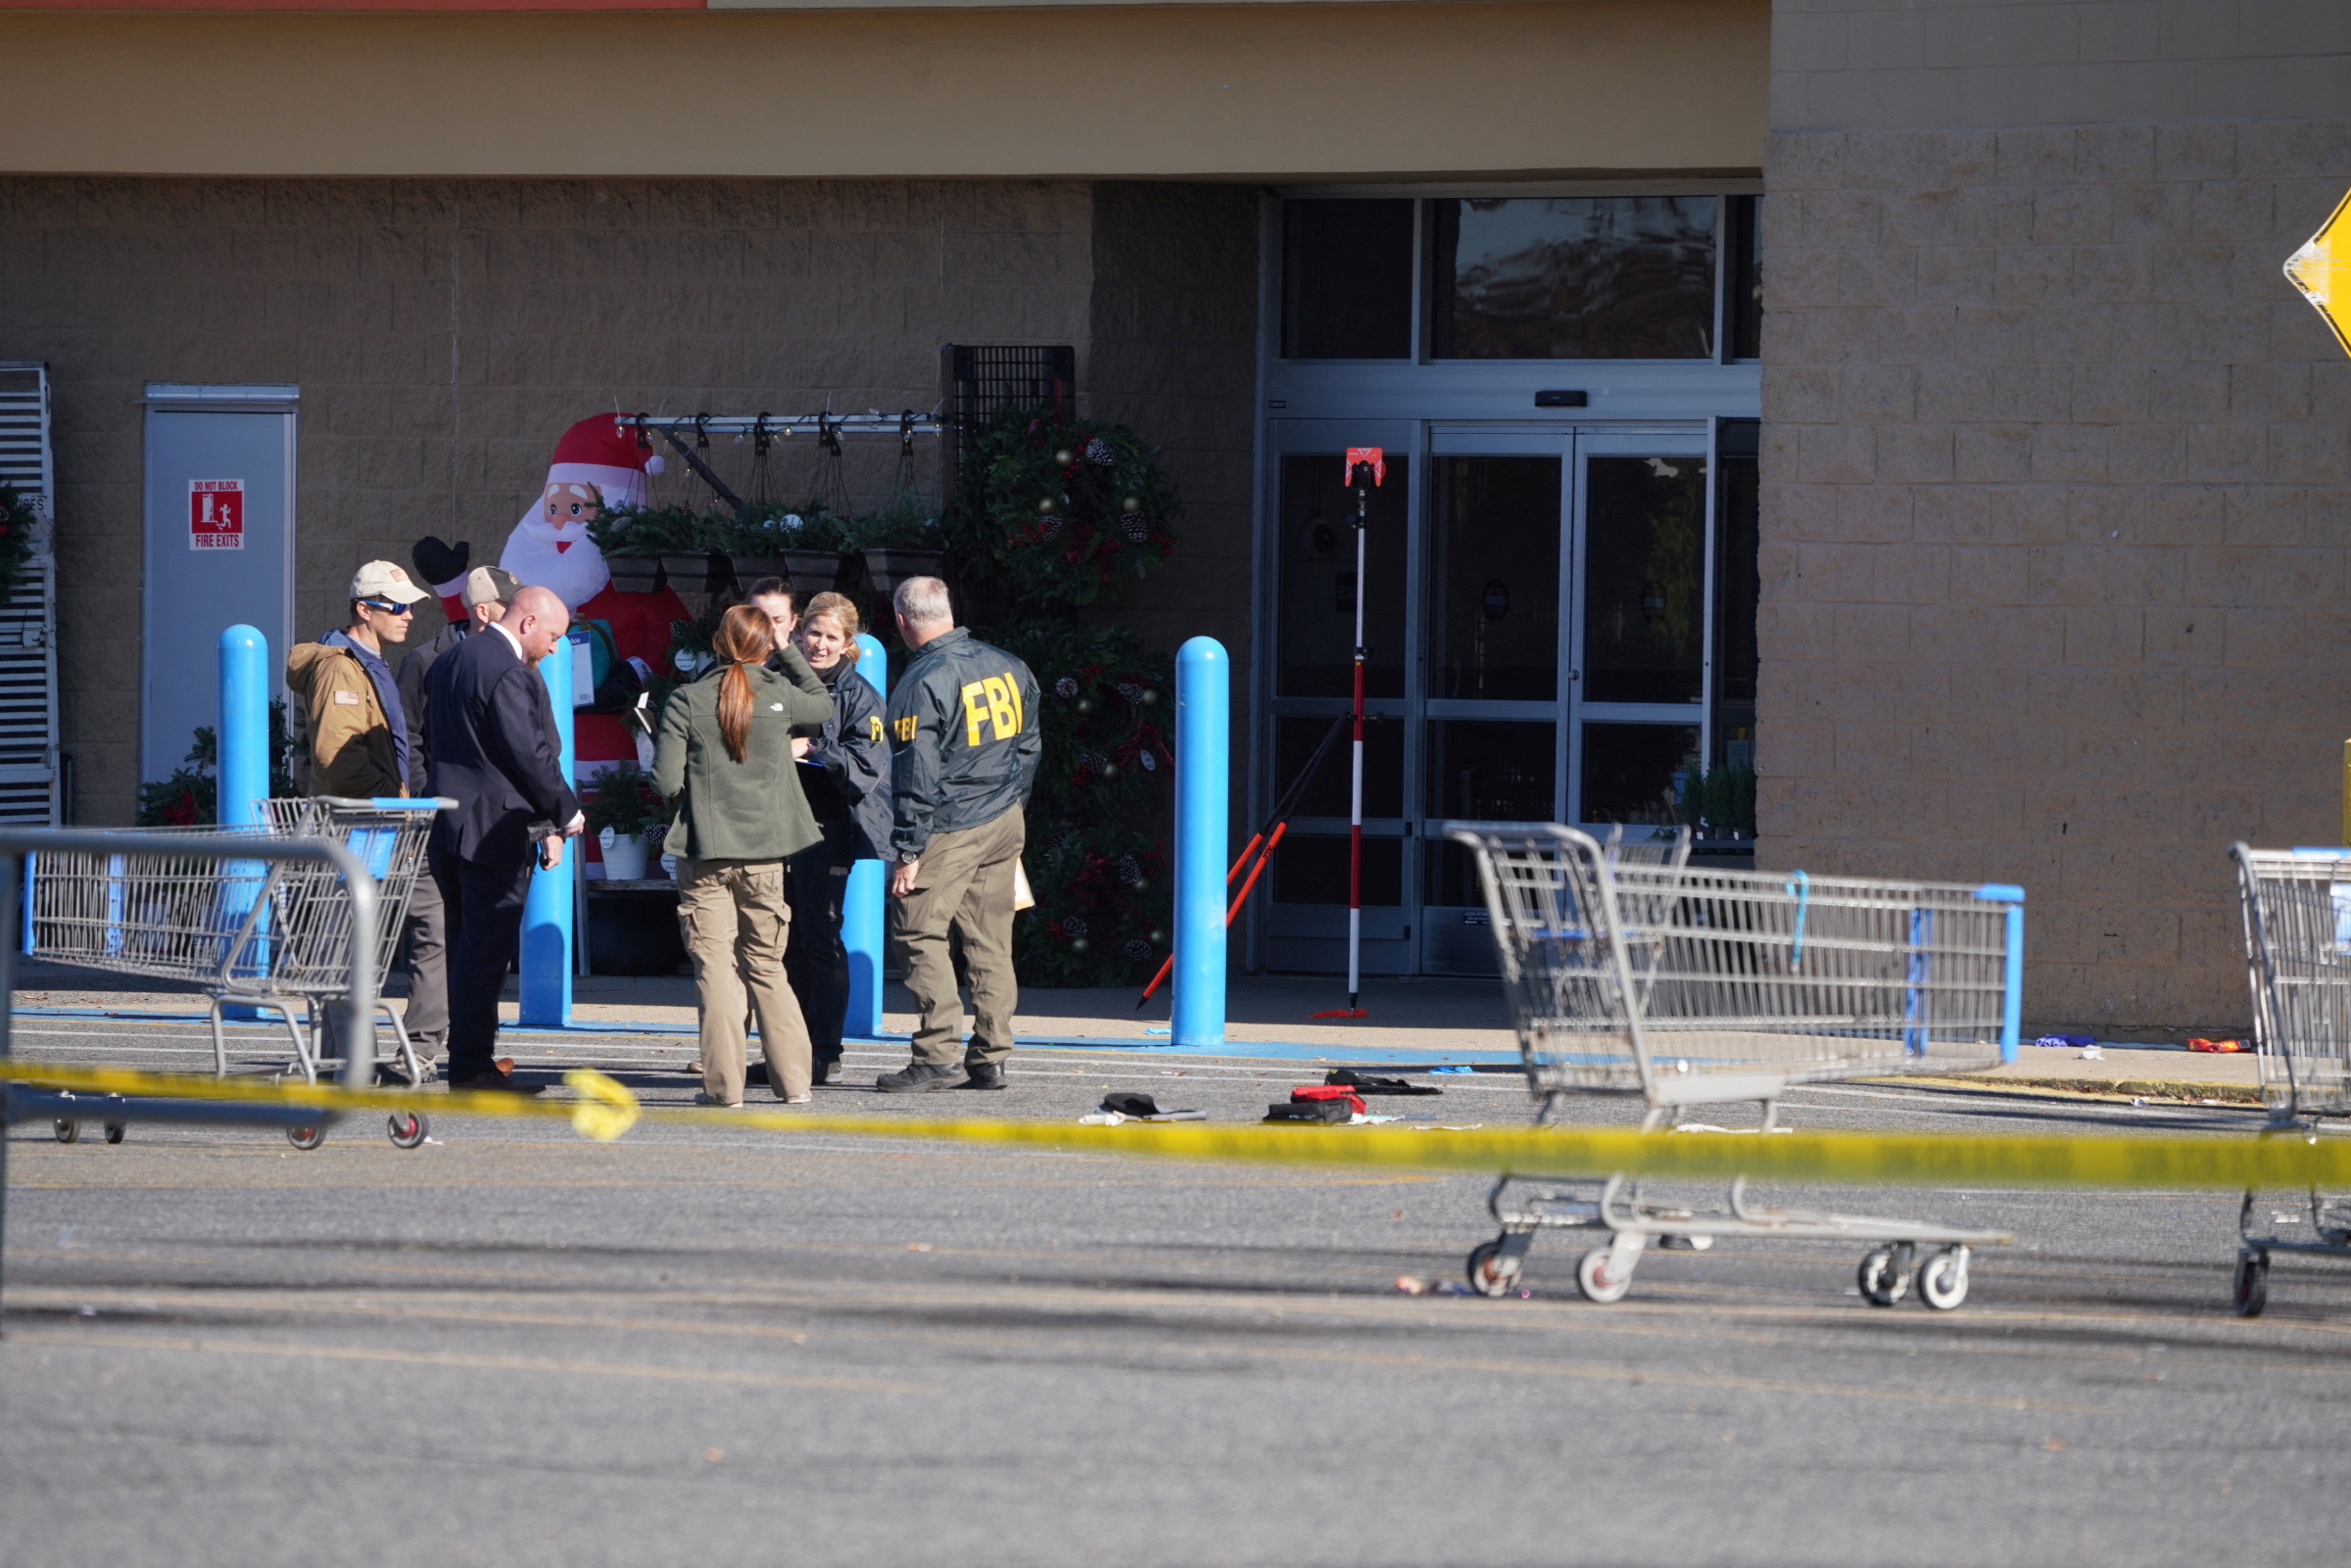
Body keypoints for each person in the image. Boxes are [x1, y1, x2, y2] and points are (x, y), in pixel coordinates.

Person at [652, 603, 836, 1107]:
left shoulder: (685, 700)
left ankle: (723, 1088)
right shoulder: (779, 694)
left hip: (706, 853)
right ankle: (795, 1083)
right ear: (763, 646)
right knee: (768, 966)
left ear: (717, 642)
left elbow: (666, 781)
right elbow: (822, 704)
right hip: (766, 856)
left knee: (714, 970)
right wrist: (787, 650)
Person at [876, 577, 1040, 1093]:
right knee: (990, 938)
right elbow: (1029, 747)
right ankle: (991, 1056)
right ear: (947, 610)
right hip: (1002, 816)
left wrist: (907, 847)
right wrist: (1013, 805)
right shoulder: (1009, 664)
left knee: (917, 930)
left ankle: (936, 1055)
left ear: (902, 621)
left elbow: (916, 772)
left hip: (949, 822)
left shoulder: (922, 680)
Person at [425, 585, 584, 1095]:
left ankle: (472, 1059)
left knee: (466, 947)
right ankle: (472, 1068)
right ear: (527, 622)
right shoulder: (510, 672)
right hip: (493, 830)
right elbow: (528, 755)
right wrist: (566, 811)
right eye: (554, 636)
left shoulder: (451, 660)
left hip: (450, 826)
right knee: (485, 952)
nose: (555, 648)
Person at [384, 563, 520, 1083]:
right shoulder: (426, 661)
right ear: (483, 611)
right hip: (437, 819)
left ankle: (473, 1045)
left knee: (479, 937)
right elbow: (409, 739)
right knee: (440, 933)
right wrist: (426, 801)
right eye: (510, 606)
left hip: (487, 822)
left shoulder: (510, 659)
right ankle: (425, 1047)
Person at [782, 592, 890, 1085]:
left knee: (820, 934)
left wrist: (815, 749)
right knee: (782, 941)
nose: (819, 645)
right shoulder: (779, 678)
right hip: (775, 826)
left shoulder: (860, 696)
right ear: (799, 631)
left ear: (849, 645)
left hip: (827, 828)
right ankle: (789, 1050)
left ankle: (824, 1051)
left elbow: (866, 769)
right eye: (813, 633)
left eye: (831, 637)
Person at [284, 560, 429, 798]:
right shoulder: (340, 668)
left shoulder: (367, 662)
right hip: (354, 824)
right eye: (398, 606)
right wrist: (391, 796)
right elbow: (337, 755)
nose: (408, 615)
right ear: (364, 610)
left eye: (410, 605)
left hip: (371, 818)